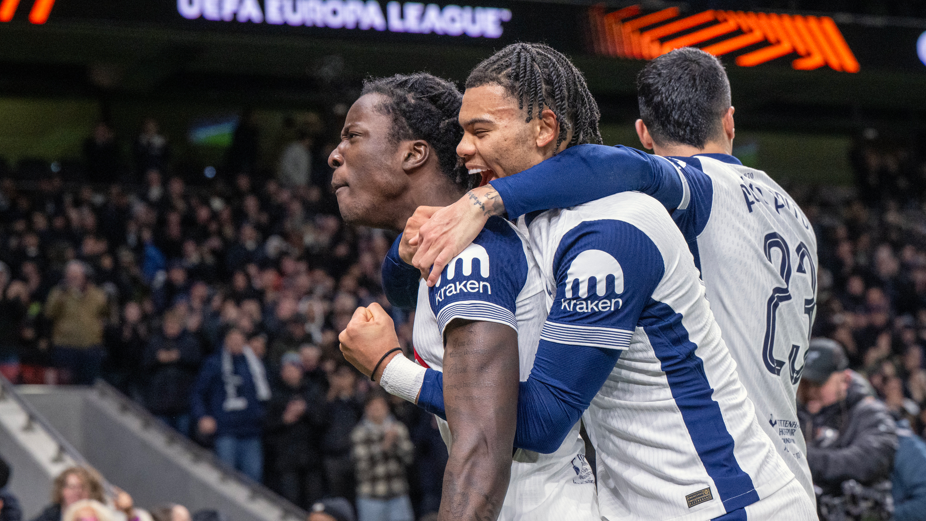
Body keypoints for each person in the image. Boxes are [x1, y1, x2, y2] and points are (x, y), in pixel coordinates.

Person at [340, 44, 813, 519]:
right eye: (462, 132)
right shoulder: (535, 221)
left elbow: (540, 421)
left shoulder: (609, 231)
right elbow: (412, 290)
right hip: (675, 496)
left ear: (545, 128)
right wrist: (406, 257)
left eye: (480, 131)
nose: (463, 148)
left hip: (727, 504)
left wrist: (388, 368)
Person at [331, 73, 599, 520]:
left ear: (414, 154)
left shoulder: (468, 254)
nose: (335, 155)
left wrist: (387, 367)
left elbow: (484, 446)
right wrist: (400, 254)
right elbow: (398, 288)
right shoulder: (449, 241)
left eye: (353, 137)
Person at [797, 338, 897, 519]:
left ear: (845, 379)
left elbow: (868, 461)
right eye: (805, 383)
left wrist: (803, 458)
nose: (810, 390)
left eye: (818, 383)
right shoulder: (796, 413)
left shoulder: (868, 412)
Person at [190, 327, 270, 482]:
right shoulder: (214, 363)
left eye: (239, 340)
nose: (236, 344)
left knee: (253, 478)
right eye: (232, 340)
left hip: (251, 431)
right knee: (227, 478)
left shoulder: (255, 365)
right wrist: (202, 416)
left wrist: (260, 415)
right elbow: (198, 393)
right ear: (225, 341)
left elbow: (265, 393)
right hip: (225, 430)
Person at [264, 352, 326, 507]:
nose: (290, 372)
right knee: (290, 502)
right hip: (285, 460)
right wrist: (284, 420)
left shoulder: (313, 391)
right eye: (286, 368)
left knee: (314, 503)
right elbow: (265, 425)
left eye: (293, 368)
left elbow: (324, 420)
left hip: (311, 458)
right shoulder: (274, 393)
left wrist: (306, 410)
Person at [350, 392, 415, 521]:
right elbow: (362, 465)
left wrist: (396, 443)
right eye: (373, 407)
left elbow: (409, 458)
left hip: (398, 495)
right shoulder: (359, 433)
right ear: (367, 409)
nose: (377, 410)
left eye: (380, 406)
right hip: (371, 497)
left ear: (387, 408)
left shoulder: (398, 429)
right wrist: (384, 445)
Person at [45, 260, 110, 385]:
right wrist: (60, 297)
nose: (72, 278)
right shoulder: (59, 292)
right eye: (70, 275)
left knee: (89, 384)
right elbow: (49, 313)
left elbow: (106, 313)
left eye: (76, 275)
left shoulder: (97, 294)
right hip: (66, 347)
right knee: (66, 385)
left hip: (90, 348)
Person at [143, 310, 202, 436]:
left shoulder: (190, 342)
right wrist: (157, 359)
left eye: (174, 325)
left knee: (183, 440)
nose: (171, 328)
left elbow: (197, 361)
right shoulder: (155, 342)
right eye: (168, 325)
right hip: (159, 403)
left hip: (182, 403)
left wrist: (180, 356)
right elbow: (145, 364)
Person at [32, 467, 106, 521]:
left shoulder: (100, 516)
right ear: (61, 490)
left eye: (82, 487)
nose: (77, 492)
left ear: (92, 492)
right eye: (72, 487)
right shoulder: (50, 515)